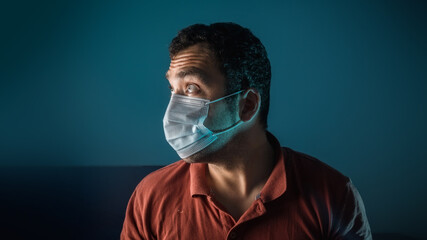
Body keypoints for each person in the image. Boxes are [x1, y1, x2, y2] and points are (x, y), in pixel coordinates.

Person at [121, 22, 372, 240]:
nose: (173, 109)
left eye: (191, 88)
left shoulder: (333, 195)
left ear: (248, 105)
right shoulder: (151, 197)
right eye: (173, 89)